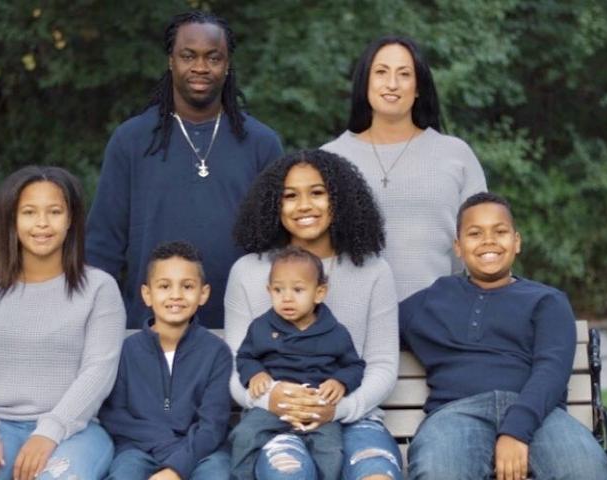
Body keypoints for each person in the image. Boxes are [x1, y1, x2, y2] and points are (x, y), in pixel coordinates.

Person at [86, 10, 284, 329]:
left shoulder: (262, 143)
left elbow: (280, 249)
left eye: (213, 57)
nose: (200, 67)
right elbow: (102, 246)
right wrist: (108, 323)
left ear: (227, 64)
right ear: (171, 61)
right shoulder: (132, 140)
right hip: (149, 332)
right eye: (188, 56)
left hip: (243, 335)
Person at [400, 192, 607, 480]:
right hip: (456, 415)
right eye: (475, 233)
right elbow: (371, 339)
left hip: (539, 413)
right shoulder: (430, 302)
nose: (488, 240)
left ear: (516, 242)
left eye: (500, 231)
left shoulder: (546, 301)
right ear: (458, 246)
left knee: (588, 471)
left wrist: (516, 431)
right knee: (439, 472)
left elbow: (551, 370)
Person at [0, 166, 125, 480]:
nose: (42, 223)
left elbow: (98, 371)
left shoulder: (99, 288)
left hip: (74, 433)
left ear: (71, 219)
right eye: (29, 212)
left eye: (55, 212)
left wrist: (49, 432)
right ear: (11, 219)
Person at [225, 150, 403, 480]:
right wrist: (272, 399)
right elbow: (236, 364)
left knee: (376, 475)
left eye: (317, 193)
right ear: (274, 206)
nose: (304, 205)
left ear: (339, 199)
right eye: (290, 196)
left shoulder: (374, 271)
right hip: (276, 420)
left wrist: (339, 408)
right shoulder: (248, 272)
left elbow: (381, 365)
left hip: (354, 417)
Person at [322, 35, 487, 302]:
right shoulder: (330, 159)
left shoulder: (456, 155)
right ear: (365, 82)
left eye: (404, 74)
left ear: (419, 86)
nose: (392, 84)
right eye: (381, 72)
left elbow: (482, 244)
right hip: (351, 321)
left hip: (441, 321)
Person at [230, 246, 366, 480]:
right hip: (274, 406)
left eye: (298, 289)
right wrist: (255, 374)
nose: (287, 298)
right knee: (244, 435)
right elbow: (245, 357)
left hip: (316, 408)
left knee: (331, 450)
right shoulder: (262, 327)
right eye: (278, 290)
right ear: (268, 290)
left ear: (319, 292)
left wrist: (340, 382)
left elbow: (354, 366)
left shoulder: (335, 331)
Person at [99, 241, 232, 480]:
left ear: (203, 294)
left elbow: (213, 425)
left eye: (188, 286)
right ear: (147, 294)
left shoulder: (217, 352)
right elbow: (114, 416)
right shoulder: (125, 351)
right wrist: (166, 446)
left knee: (218, 474)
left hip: (202, 453)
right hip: (138, 449)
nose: (176, 295)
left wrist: (175, 468)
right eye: (164, 286)